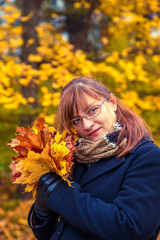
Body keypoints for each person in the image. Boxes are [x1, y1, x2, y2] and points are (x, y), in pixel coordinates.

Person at [28, 77, 160, 240]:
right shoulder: (74, 157)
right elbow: (53, 232)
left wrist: (61, 195)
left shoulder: (147, 156)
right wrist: (41, 211)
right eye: (76, 120)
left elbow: (130, 229)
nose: (87, 125)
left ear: (112, 102)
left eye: (92, 110)